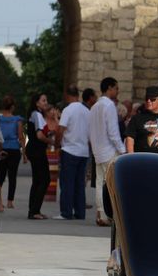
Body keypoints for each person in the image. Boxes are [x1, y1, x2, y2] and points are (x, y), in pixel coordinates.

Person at [88, 77, 125, 227]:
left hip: (98, 151)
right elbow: (113, 132)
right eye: (116, 88)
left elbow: (90, 131)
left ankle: (101, 215)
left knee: (99, 183)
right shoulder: (109, 105)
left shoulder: (95, 106)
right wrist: (123, 150)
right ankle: (110, 215)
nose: (117, 91)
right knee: (111, 185)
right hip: (109, 151)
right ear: (109, 88)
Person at [54, 86, 91, 220]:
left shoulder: (68, 110)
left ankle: (66, 212)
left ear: (67, 95)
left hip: (69, 150)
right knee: (79, 184)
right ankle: (80, 212)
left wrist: (57, 145)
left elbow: (60, 129)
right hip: (83, 152)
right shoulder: (87, 111)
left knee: (67, 183)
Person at [25, 93, 55, 220]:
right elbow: (39, 135)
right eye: (43, 100)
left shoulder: (36, 114)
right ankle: (34, 210)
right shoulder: (37, 114)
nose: (45, 102)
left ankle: (34, 209)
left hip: (34, 149)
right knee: (44, 179)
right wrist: (51, 142)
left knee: (38, 180)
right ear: (37, 103)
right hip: (37, 150)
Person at [126, 86, 158, 154]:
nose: (148, 101)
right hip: (142, 160)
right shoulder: (137, 118)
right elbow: (130, 138)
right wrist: (131, 157)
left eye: (152, 99)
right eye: (146, 99)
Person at [0, 95, 25, 209]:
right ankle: (10, 201)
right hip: (14, 149)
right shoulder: (17, 120)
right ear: (12, 107)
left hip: (2, 148)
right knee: (12, 176)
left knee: (0, 176)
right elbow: (21, 137)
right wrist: (25, 153)